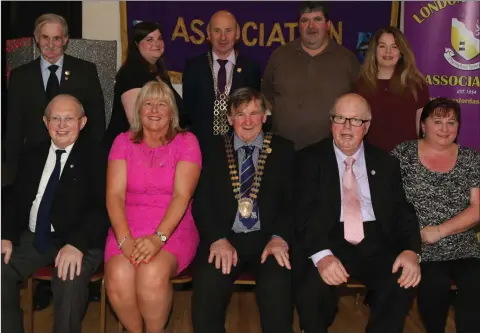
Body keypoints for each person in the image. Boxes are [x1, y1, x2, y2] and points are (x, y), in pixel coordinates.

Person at [293, 93, 421, 333]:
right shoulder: (308, 159)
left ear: (367, 125)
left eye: (355, 120)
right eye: (340, 118)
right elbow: (302, 214)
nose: (347, 127)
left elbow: (403, 211)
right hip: (327, 236)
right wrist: (322, 256)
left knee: (402, 280)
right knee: (313, 288)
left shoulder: (385, 163)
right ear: (331, 122)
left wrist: (411, 250)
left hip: (375, 240)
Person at [1, 95, 108, 333]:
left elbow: (101, 207)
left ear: (82, 122)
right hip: (35, 237)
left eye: (69, 119)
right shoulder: (32, 154)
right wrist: (6, 235)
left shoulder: (97, 156)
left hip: (80, 239)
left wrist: (76, 244)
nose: (61, 126)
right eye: (55, 119)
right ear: (45, 121)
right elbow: (15, 200)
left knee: (68, 278)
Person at [191, 88, 295, 333]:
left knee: (278, 284)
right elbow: (202, 201)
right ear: (229, 118)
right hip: (225, 237)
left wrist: (280, 237)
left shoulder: (284, 149)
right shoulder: (211, 149)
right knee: (208, 283)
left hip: (269, 239)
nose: (248, 121)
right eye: (240, 114)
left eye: (254, 113)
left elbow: (293, 201)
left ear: (265, 116)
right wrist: (217, 239)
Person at [104, 81, 201, 333]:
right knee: (117, 275)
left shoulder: (187, 142)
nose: (154, 110)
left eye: (162, 104)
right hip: (127, 225)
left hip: (173, 227)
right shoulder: (122, 142)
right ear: (138, 110)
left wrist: (159, 239)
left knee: (151, 273)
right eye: (148, 103)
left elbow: (182, 196)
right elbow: (114, 196)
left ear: (172, 112)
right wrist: (124, 239)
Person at [391, 98, 480, 333]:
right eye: (437, 121)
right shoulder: (403, 154)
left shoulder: (471, 158)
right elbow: (388, 202)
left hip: (463, 246)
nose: (444, 128)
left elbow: (477, 208)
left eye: (451, 122)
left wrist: (440, 231)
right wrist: (411, 237)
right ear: (423, 125)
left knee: (475, 285)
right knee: (433, 286)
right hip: (417, 247)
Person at [6, 13, 105, 182]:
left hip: (77, 164)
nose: (50, 45)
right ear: (36, 38)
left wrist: (93, 163)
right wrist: (11, 174)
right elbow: (13, 129)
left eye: (57, 38)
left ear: (66, 40)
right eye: (45, 37)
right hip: (32, 166)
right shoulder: (20, 76)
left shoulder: (85, 72)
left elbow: (96, 122)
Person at [262, 1, 359, 150]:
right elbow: (266, 97)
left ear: (328, 25)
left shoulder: (347, 59)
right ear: (298, 26)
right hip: (283, 151)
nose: (311, 26)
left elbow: (357, 106)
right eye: (305, 20)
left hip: (331, 153)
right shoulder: (279, 56)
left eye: (317, 19)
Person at [182, 10, 262, 148]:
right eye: (217, 30)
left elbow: (256, 112)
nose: (223, 37)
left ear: (237, 34)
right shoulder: (193, 67)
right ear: (208, 33)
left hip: (239, 146)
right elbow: (187, 112)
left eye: (228, 30)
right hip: (200, 147)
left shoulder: (250, 68)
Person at [104, 21, 183, 148]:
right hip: (130, 151)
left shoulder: (159, 72)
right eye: (149, 39)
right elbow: (137, 124)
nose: (156, 44)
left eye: (160, 38)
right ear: (136, 44)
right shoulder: (131, 73)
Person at [355, 27, 430, 151]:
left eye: (394, 47)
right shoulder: (360, 85)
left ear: (401, 52)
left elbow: (422, 130)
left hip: (406, 159)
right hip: (369, 157)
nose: (388, 52)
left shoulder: (416, 85)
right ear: (374, 51)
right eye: (382, 46)